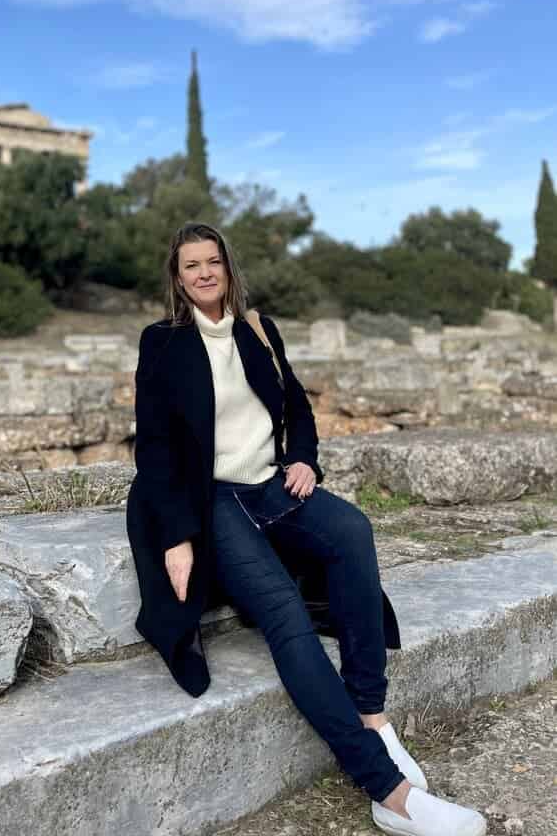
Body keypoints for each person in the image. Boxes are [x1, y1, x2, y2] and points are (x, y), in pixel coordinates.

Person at [125, 221, 486, 836]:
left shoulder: (258, 329)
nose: (205, 273)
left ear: (228, 268)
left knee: (352, 530)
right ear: (177, 277)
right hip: (208, 497)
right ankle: (387, 792)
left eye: (214, 261)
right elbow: (155, 447)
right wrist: (177, 535)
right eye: (192, 265)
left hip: (269, 481)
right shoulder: (161, 342)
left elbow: (297, 405)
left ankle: (371, 713)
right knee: (284, 612)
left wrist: (305, 459)